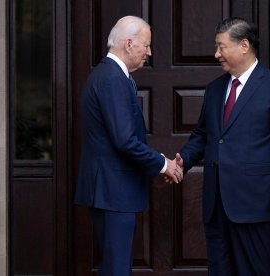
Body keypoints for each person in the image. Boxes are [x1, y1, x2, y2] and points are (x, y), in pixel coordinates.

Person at [175, 17, 270, 275]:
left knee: (255, 270)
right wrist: (181, 163)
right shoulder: (214, 89)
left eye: (221, 47)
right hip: (217, 203)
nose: (216, 54)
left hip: (256, 202)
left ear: (244, 45)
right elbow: (203, 135)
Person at [74, 16, 183, 276]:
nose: (149, 52)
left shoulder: (109, 75)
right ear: (129, 43)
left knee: (116, 266)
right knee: (117, 269)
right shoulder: (112, 78)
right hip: (113, 191)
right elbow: (124, 141)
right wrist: (163, 163)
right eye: (146, 45)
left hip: (111, 190)